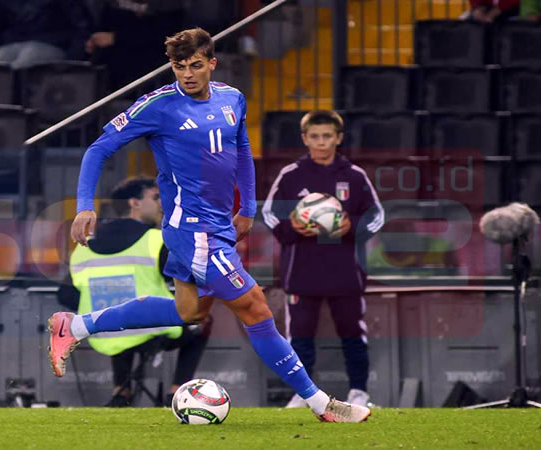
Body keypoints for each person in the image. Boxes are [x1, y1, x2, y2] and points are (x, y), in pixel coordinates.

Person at [48, 28, 371, 422]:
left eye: (195, 65)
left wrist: (247, 209)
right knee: (254, 308)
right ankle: (322, 404)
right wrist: (84, 206)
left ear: (211, 63)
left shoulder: (232, 98)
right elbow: (98, 148)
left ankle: (76, 325)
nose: (187, 73)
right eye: (179, 66)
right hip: (191, 230)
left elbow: (242, 150)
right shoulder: (157, 106)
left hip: (218, 225)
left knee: (189, 312)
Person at [261, 110, 384, 408]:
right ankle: (303, 393)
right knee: (300, 337)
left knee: (353, 334)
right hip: (302, 273)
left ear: (338, 138)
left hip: (345, 272)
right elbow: (268, 213)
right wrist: (293, 227)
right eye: (314, 136)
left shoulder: (353, 175)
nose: (321, 142)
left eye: (327, 136)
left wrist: (351, 226)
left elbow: (376, 215)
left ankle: (359, 392)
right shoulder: (291, 175)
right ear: (304, 139)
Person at [57, 177, 209, 407]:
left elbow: (65, 294)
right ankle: (177, 392)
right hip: (154, 330)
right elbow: (187, 278)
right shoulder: (156, 240)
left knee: (116, 316)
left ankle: (121, 391)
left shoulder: (85, 246)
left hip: (103, 333)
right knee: (201, 319)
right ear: (134, 203)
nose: (162, 203)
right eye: (155, 197)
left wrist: (99, 300)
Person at [85, 0, 187, 92]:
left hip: (149, 69)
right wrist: (96, 40)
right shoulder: (113, 4)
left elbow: (164, 34)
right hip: (113, 69)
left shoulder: (169, 5)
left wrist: (116, 38)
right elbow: (105, 22)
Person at [0, 0, 93, 69]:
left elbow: (81, 26)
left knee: (24, 62)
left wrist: (71, 62)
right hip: (12, 42)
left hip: (52, 43)